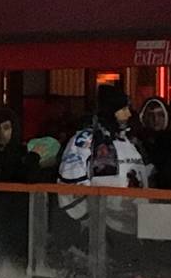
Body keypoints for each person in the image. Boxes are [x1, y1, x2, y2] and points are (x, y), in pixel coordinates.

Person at [58, 84, 152, 233]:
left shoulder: (131, 142)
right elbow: (70, 187)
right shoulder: (86, 141)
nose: (128, 114)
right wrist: (92, 224)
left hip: (135, 228)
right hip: (101, 232)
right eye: (123, 109)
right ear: (110, 111)